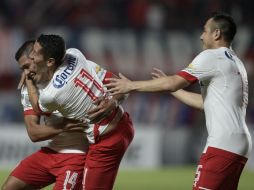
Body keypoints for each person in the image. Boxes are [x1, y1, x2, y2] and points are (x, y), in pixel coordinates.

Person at [105, 12, 252, 190]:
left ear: (217, 34)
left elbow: (173, 82)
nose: (201, 35)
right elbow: (205, 103)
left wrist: (130, 85)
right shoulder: (236, 62)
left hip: (222, 144)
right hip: (240, 143)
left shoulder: (212, 56)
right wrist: (174, 90)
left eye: (205, 31)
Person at [25, 34, 134, 190]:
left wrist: (29, 80)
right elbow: (118, 85)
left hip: (106, 141)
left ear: (50, 61)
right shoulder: (75, 54)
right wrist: (113, 101)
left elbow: (36, 107)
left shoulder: (51, 94)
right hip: (123, 122)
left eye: (35, 52)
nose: (31, 55)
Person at [2, 40, 89, 190]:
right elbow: (34, 133)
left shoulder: (70, 72)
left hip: (78, 154)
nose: (26, 72)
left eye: (27, 66)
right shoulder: (28, 89)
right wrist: (64, 126)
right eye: (22, 69)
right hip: (52, 151)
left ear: (39, 58)